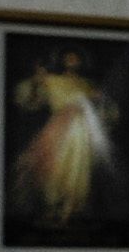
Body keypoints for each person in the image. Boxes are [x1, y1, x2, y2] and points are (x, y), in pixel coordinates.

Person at [9, 46, 117, 237]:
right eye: (68, 58)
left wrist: (99, 100)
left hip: (83, 133)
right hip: (58, 128)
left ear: (81, 62)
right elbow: (30, 101)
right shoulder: (52, 81)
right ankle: (54, 209)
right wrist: (36, 81)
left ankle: (73, 210)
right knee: (55, 168)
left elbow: (106, 111)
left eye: (75, 59)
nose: (72, 61)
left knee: (80, 170)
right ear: (62, 60)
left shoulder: (88, 84)